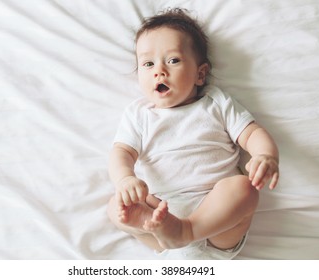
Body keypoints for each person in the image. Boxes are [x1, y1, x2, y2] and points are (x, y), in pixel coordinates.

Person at [107, 8, 279, 259]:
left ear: (200, 74)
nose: (159, 71)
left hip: (216, 223)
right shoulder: (138, 114)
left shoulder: (216, 103)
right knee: (116, 206)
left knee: (244, 188)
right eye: (148, 63)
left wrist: (266, 155)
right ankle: (154, 225)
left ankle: (186, 230)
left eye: (173, 60)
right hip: (161, 215)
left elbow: (252, 133)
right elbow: (121, 151)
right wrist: (124, 180)